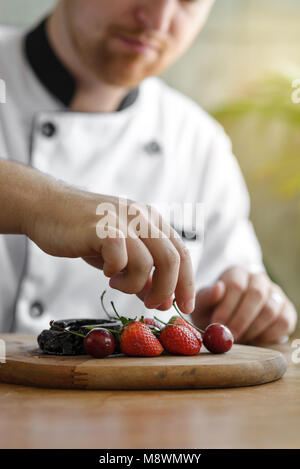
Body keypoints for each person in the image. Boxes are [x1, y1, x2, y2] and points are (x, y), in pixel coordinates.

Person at [0, 0, 296, 343]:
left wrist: (253, 305)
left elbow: (235, 279)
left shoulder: (197, 140)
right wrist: (44, 203)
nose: (157, 20)